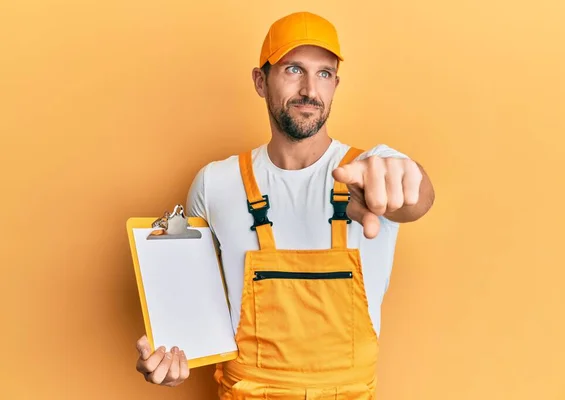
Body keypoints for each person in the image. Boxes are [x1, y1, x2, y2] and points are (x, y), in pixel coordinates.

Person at [135, 11, 435, 399]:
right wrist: (176, 359)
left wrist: (402, 180)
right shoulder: (216, 183)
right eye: (294, 69)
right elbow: (195, 307)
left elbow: (416, 197)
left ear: (335, 85)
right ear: (261, 81)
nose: (311, 89)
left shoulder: (367, 171)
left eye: (324, 74)